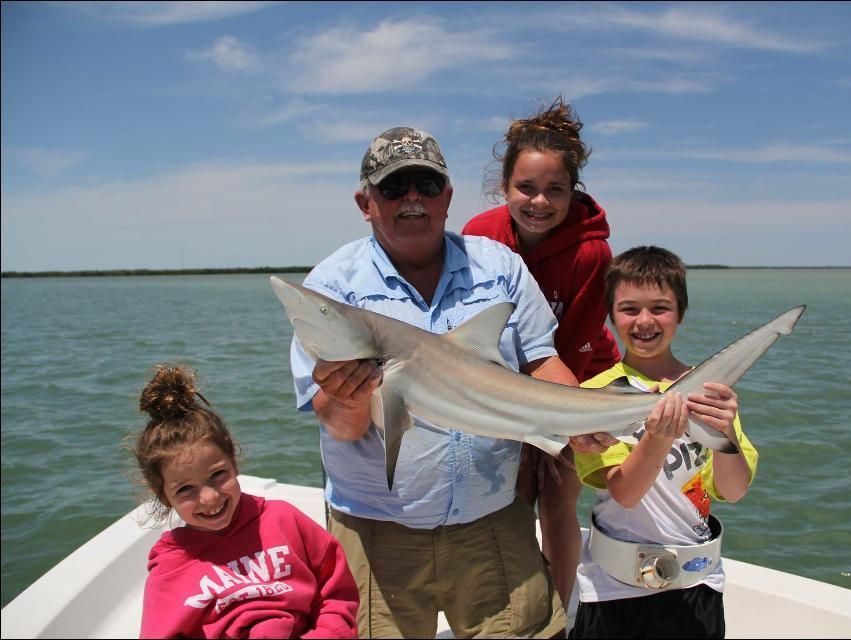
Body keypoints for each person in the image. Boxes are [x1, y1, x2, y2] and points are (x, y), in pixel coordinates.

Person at [287, 126, 615, 638]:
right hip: (378, 531)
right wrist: (348, 398)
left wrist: (583, 418)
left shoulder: (499, 267)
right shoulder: (333, 288)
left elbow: (541, 361)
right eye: (394, 187)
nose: (412, 198)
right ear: (365, 202)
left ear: (447, 197)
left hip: (493, 519)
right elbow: (342, 427)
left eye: (425, 184)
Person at [462, 96, 620, 609]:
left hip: (577, 377)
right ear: (503, 187)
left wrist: (546, 432)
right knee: (497, 498)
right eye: (525, 188)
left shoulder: (590, 251)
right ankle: (498, 602)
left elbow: (574, 346)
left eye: (556, 190)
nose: (539, 202)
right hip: (504, 380)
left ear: (574, 192)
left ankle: (558, 611)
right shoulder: (478, 236)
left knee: (556, 497)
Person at [571, 246, 759, 639]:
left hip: (697, 586)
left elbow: (733, 490)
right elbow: (625, 492)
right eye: (629, 309)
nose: (644, 321)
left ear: (681, 313)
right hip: (612, 590)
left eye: (660, 307)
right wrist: (657, 438)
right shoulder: (595, 395)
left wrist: (723, 432)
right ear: (610, 316)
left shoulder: (709, 394)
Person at [132, 364, 360, 639]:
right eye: (185, 490)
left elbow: (336, 594)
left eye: (218, 475)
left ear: (234, 463)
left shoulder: (284, 520)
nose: (210, 497)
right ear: (164, 496)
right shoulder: (172, 566)